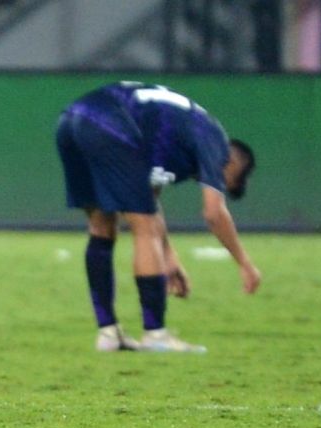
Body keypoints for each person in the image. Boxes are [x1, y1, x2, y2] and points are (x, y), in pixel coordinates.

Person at [56, 81, 261, 353]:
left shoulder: (177, 133)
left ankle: (109, 334)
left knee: (102, 223)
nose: (221, 185)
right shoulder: (214, 140)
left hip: (70, 120)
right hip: (110, 123)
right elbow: (214, 213)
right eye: (229, 182)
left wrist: (169, 255)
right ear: (233, 164)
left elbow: (148, 196)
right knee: (144, 227)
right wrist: (245, 263)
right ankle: (156, 334)